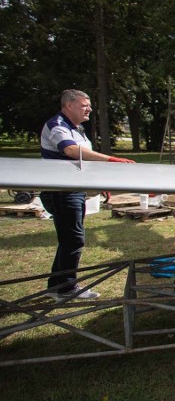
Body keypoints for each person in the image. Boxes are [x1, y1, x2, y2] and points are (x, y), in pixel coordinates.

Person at [40, 89, 135, 301]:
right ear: (69, 105)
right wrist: (110, 159)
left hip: (73, 189)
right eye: (85, 105)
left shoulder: (77, 128)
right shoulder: (58, 126)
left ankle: (56, 286)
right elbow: (71, 151)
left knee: (69, 240)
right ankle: (66, 289)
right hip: (61, 191)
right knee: (74, 240)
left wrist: (97, 182)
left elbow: (82, 161)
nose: (89, 109)